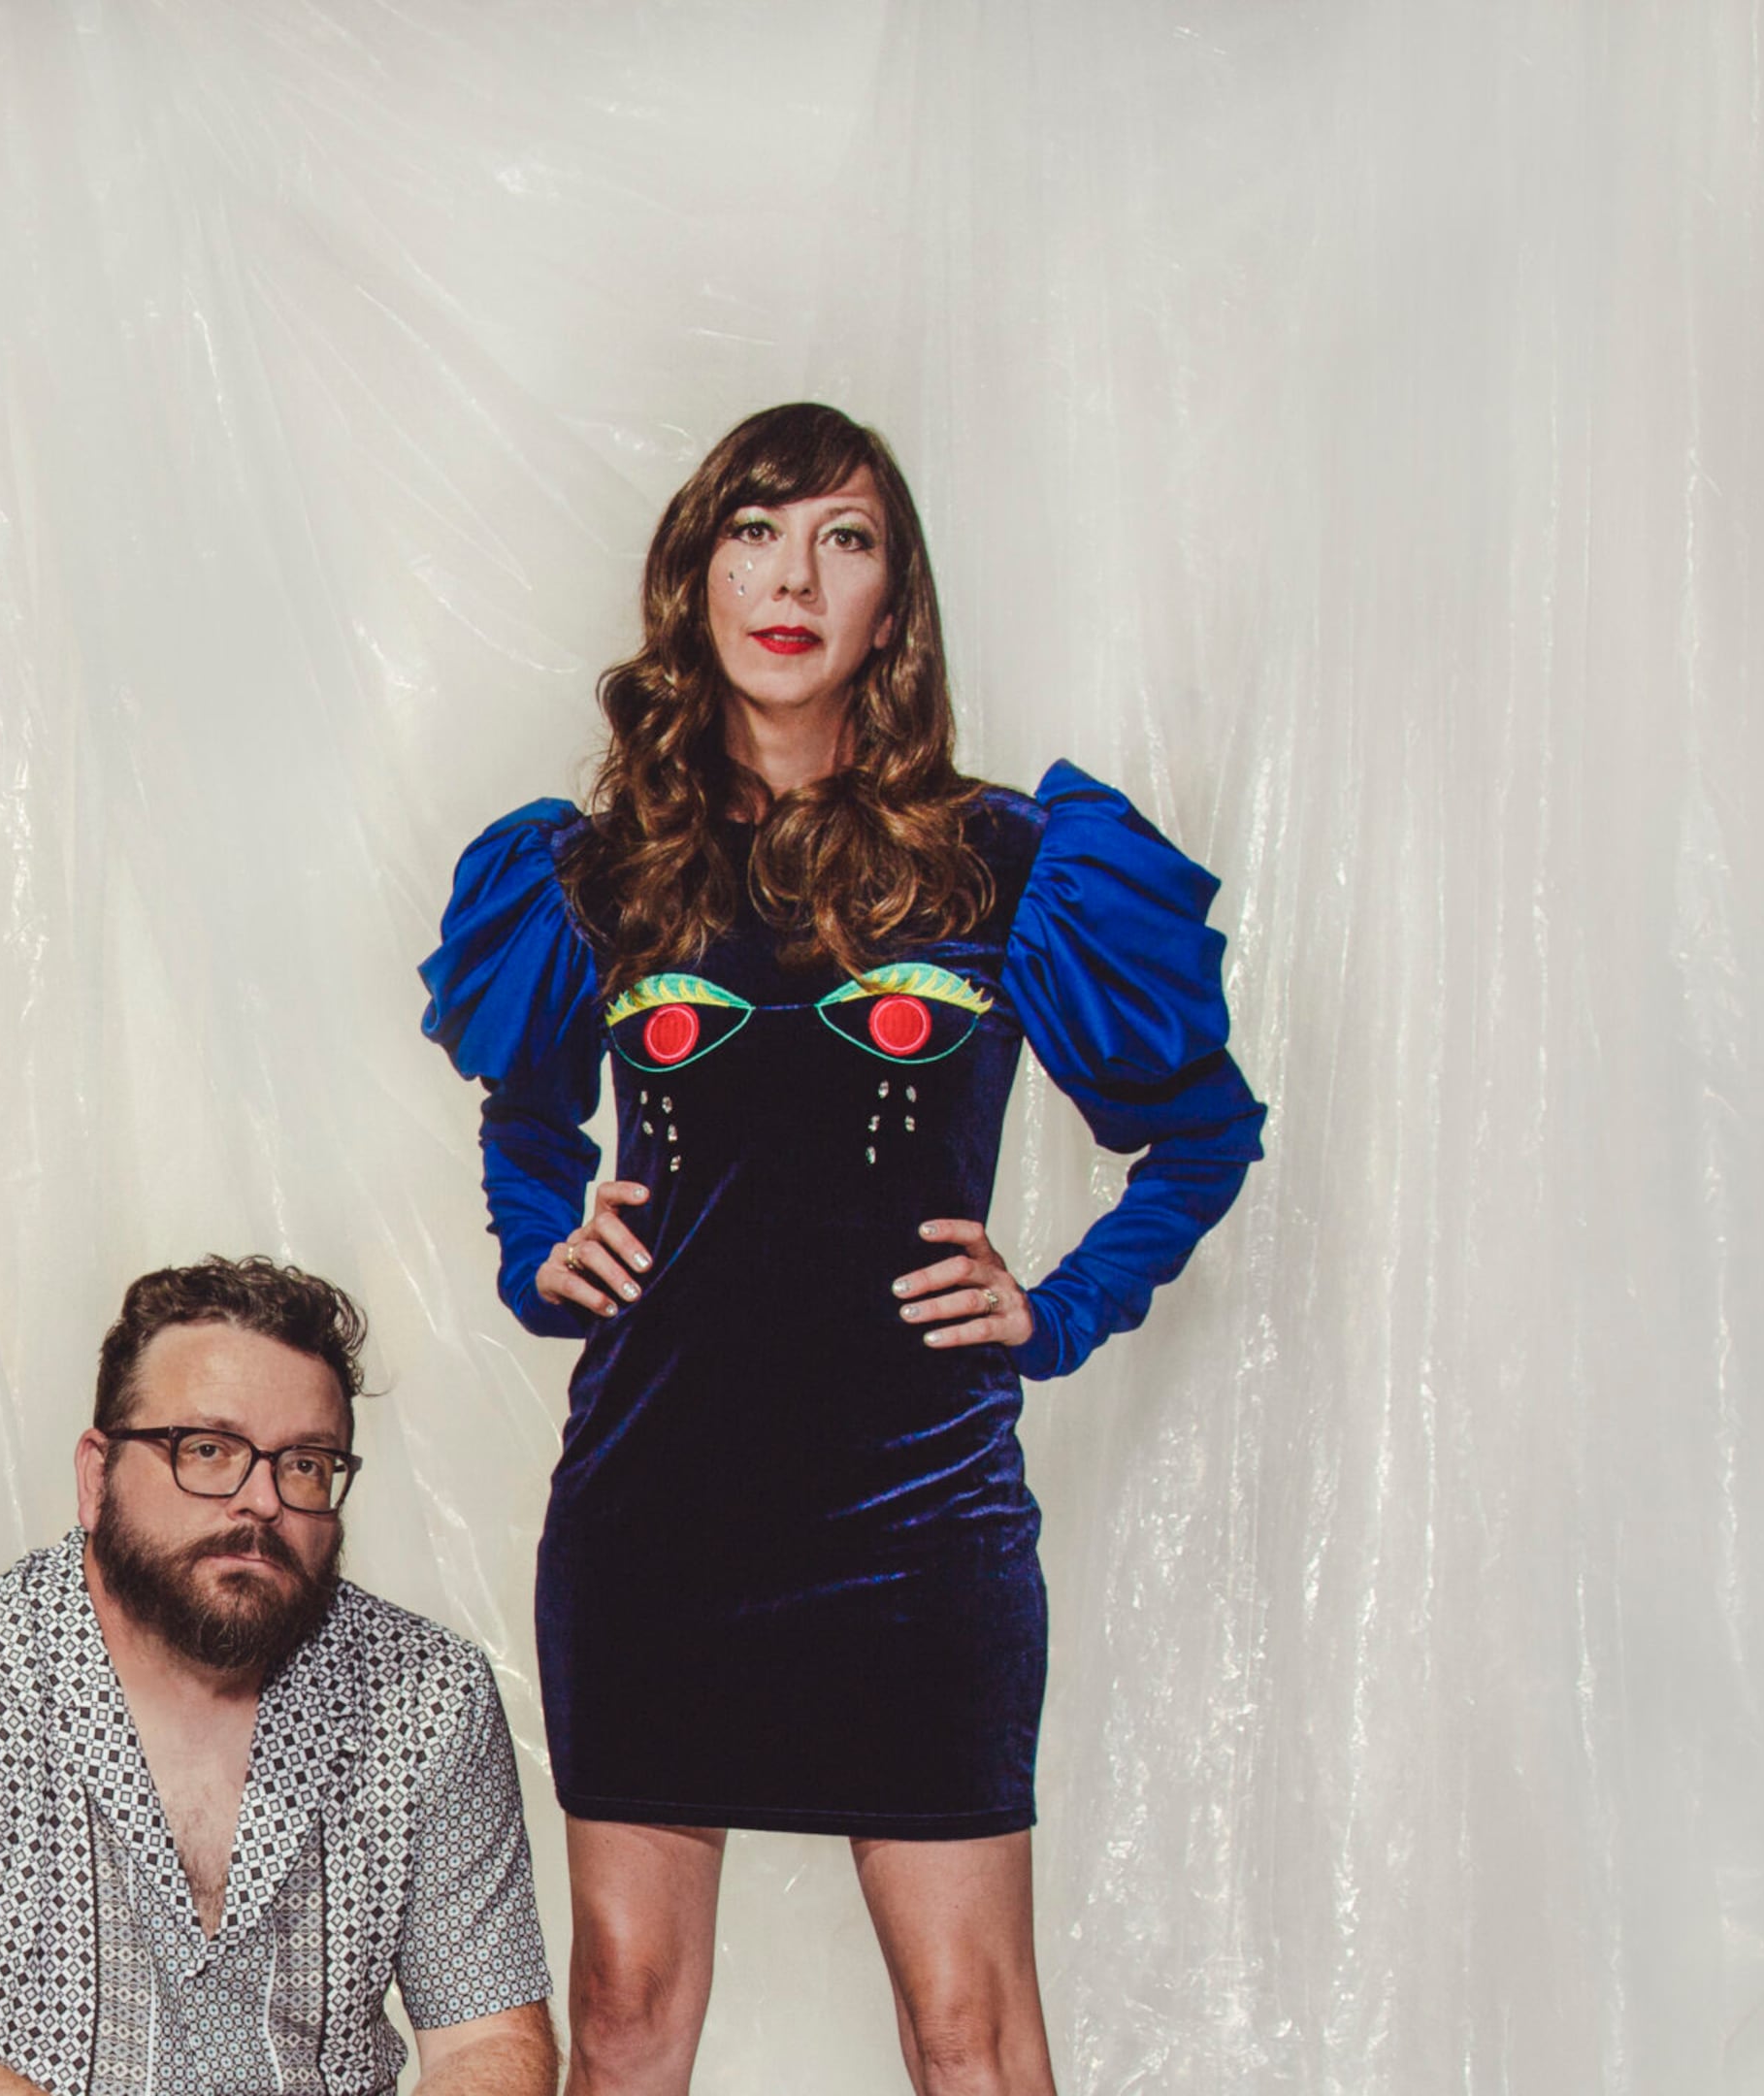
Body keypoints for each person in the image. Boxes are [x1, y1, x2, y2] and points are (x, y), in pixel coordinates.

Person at [419, 402, 1266, 2094]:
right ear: (695, 574)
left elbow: (1203, 1129)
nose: (792, 576)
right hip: (653, 1511)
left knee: (971, 2027)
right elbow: (526, 1127)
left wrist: (1061, 1306)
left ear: (897, 601)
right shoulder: (592, 873)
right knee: (631, 2009)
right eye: (753, 530)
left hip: (918, 1519)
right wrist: (539, 1247)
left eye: (845, 538)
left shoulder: (1016, 863)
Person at [0, 1258, 563, 2096]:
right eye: (207, 1449)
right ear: (96, 1476)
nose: (261, 1501)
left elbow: (488, 2048)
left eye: (305, 1463)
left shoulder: (428, 1691)